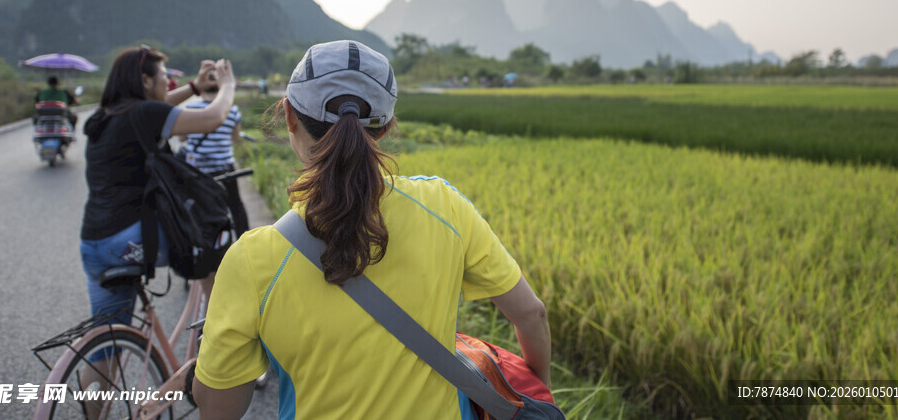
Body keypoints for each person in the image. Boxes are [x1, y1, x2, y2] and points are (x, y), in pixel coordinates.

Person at [193, 40, 551, 419]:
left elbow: (217, 410)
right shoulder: (445, 206)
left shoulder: (252, 260)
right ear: (387, 126)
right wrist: (537, 392)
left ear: (289, 116)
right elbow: (532, 315)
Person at [80, 45, 236, 326]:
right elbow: (212, 118)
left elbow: (161, 105)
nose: (168, 81)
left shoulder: (104, 116)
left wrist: (195, 87)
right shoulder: (144, 114)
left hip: (94, 243)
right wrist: (228, 85)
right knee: (213, 236)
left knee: (109, 338)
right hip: (128, 239)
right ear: (145, 80)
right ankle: (217, 332)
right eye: (164, 74)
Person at [181, 67, 249, 234]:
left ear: (202, 87)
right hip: (225, 168)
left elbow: (182, 138)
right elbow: (235, 138)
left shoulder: (190, 109)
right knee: (235, 205)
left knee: (197, 207)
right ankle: (244, 238)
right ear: (220, 87)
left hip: (197, 170)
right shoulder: (231, 110)